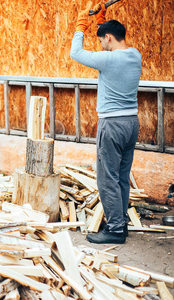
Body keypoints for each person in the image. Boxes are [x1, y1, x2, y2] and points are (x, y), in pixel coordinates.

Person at [70, 4, 142, 244]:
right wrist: (101, 22)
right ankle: (120, 222)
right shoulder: (135, 55)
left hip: (111, 125)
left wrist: (81, 27)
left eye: (101, 40)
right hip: (131, 123)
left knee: (106, 178)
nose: (100, 45)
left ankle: (115, 230)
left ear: (109, 38)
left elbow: (76, 53)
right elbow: (109, 40)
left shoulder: (108, 60)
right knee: (121, 176)